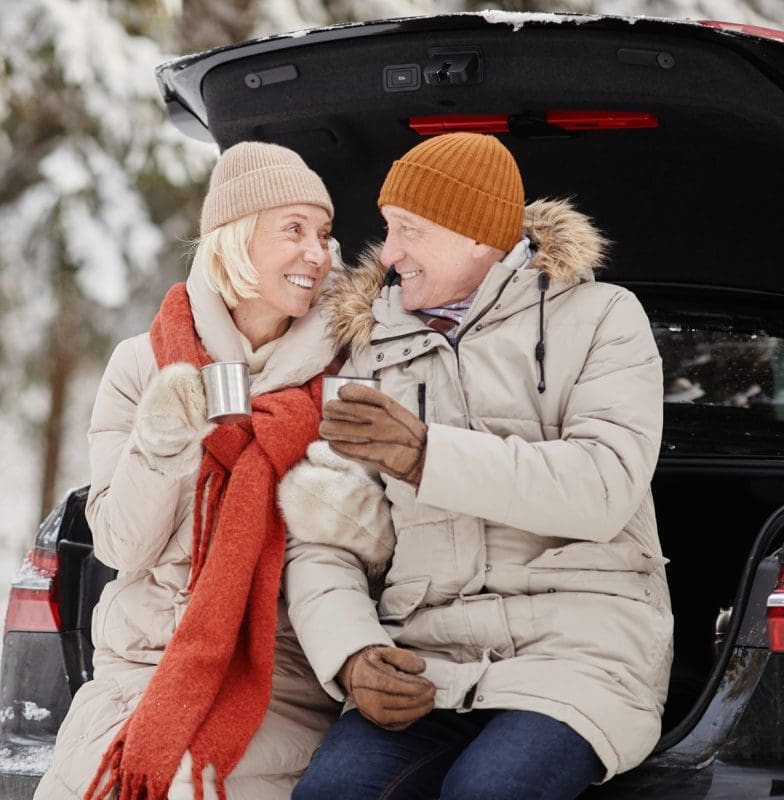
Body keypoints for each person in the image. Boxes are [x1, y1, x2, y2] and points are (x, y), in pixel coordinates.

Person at [279, 132, 672, 800]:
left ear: (477, 236)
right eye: (387, 228)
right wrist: (350, 655)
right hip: (428, 660)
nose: (390, 251)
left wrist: (427, 455)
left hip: (578, 654)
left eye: (410, 229)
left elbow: (604, 488)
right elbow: (326, 533)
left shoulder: (604, 317)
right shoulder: (373, 349)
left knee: (493, 790)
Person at [34, 141, 344, 800]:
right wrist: (160, 447)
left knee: (182, 784)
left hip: (274, 677)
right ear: (234, 239)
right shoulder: (142, 364)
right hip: (137, 670)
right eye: (293, 230)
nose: (317, 254)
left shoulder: (347, 374)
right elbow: (121, 546)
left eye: (324, 233)